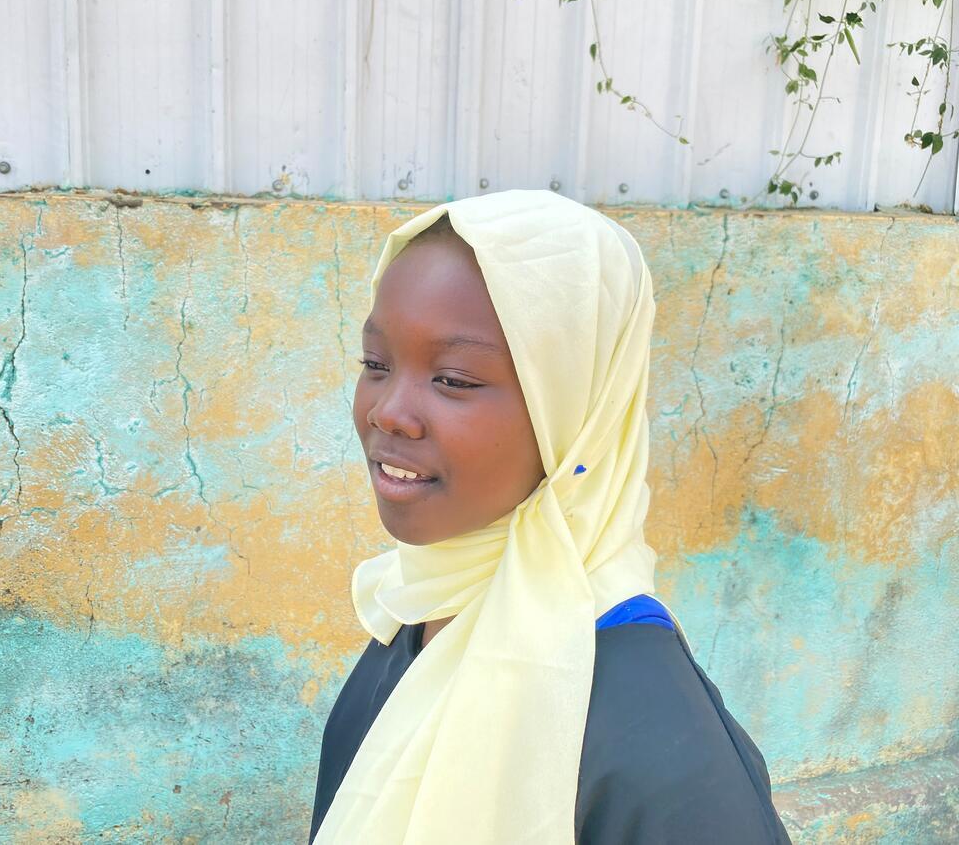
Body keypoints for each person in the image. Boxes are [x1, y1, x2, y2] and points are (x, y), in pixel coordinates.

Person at [309, 191, 790, 844]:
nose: (388, 411)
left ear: (576, 414)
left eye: (453, 379)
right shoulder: (414, 623)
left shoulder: (657, 743)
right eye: (375, 364)